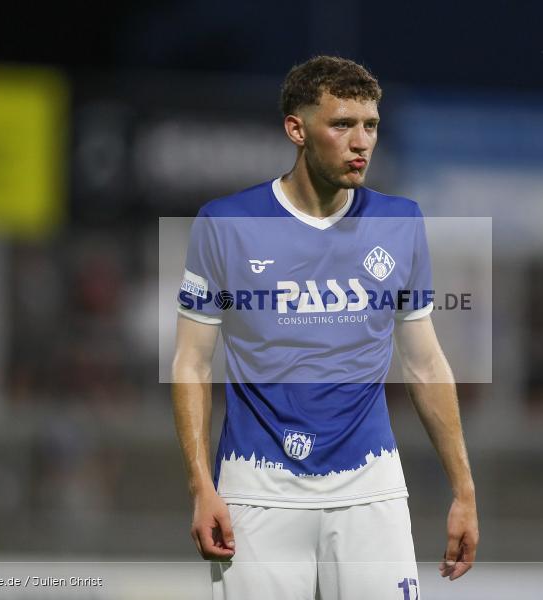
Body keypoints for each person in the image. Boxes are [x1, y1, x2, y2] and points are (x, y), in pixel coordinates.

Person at [171, 55, 478, 600]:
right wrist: (201, 487)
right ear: (297, 129)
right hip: (255, 488)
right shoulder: (226, 223)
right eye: (342, 124)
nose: (361, 142)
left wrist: (463, 490)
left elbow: (424, 361)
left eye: (371, 126)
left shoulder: (400, 222)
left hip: (369, 486)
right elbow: (191, 362)